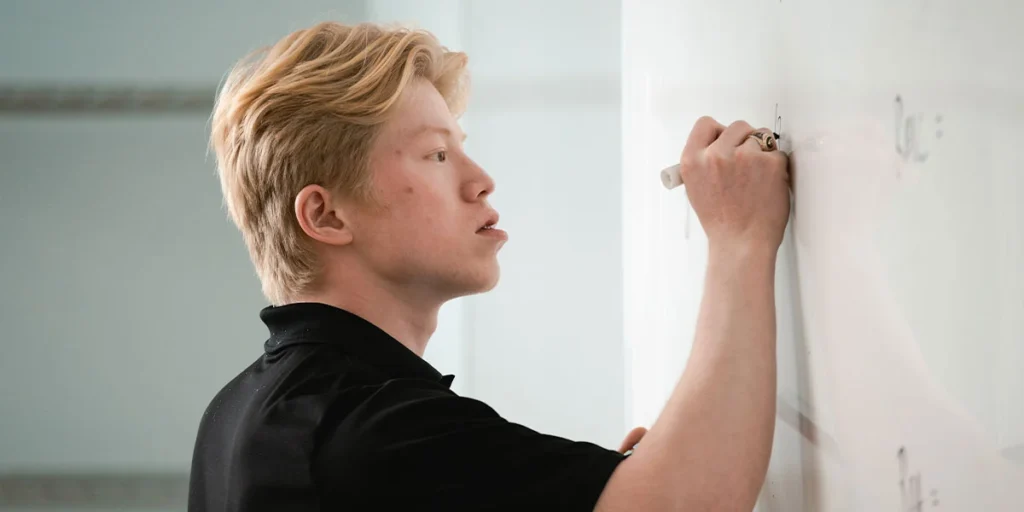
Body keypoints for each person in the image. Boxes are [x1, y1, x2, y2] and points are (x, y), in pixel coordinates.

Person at [188, 20, 791, 512]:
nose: (480, 181)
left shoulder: (235, 417)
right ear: (327, 215)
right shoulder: (373, 432)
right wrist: (738, 237)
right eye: (438, 153)